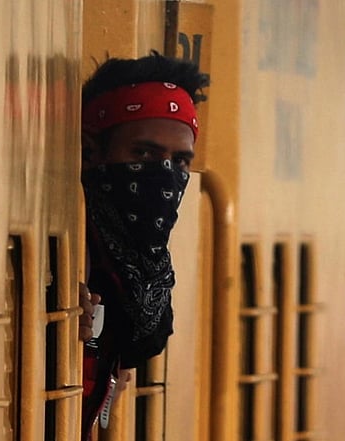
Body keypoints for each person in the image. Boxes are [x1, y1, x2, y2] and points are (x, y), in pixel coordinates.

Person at [76, 52, 209, 440]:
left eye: (180, 161)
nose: (165, 173)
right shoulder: (78, 247)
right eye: (145, 154)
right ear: (91, 151)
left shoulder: (138, 266)